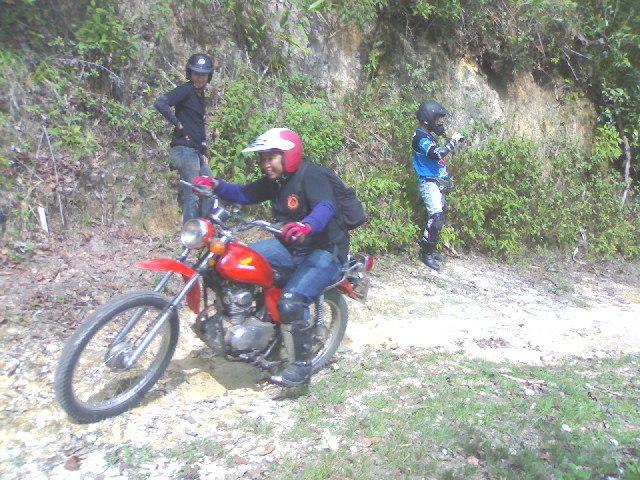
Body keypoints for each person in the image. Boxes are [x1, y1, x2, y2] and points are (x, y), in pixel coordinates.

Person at [191, 128, 349, 387]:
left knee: (292, 300)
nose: (265, 164)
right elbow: (244, 194)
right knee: (233, 262)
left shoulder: (312, 175)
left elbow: (325, 206)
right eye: (262, 158)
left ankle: (300, 367)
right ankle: (249, 320)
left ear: (289, 155)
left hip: (324, 249)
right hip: (289, 246)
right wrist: (215, 185)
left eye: (271, 157)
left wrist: (307, 225)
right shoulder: (276, 181)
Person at [154, 53, 215, 224]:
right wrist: (177, 123)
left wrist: (203, 150)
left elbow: (198, 125)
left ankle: (204, 229)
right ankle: (190, 235)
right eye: (196, 74)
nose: (200, 78)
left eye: (203, 75)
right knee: (192, 195)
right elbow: (160, 103)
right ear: (190, 74)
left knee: (210, 189)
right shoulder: (186, 90)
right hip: (184, 149)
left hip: (195, 151)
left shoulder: (199, 95)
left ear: (208, 76)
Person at [412, 100, 464, 271]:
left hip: (438, 182)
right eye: (436, 120)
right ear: (428, 118)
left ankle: (432, 250)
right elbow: (437, 153)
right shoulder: (420, 138)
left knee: (439, 218)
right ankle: (425, 253)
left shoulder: (427, 136)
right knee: (435, 217)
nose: (438, 123)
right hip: (429, 182)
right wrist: (453, 141)